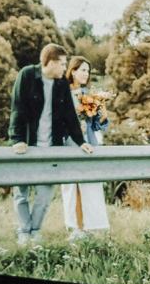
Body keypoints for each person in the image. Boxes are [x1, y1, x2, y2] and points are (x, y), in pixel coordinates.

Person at [8, 43, 91, 246]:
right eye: (62, 64)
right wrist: (17, 139)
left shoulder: (61, 83)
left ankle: (34, 231)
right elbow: (17, 109)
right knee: (21, 192)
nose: (65, 69)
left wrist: (80, 142)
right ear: (51, 63)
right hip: (27, 145)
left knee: (44, 195)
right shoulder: (27, 75)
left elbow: (70, 115)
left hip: (51, 147)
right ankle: (24, 232)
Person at [60, 59, 111, 240]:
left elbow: (98, 125)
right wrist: (71, 129)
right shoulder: (63, 93)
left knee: (90, 185)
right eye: (82, 70)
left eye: (88, 71)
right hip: (70, 144)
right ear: (72, 71)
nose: (86, 74)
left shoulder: (90, 95)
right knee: (71, 186)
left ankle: (92, 227)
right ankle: (76, 226)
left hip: (88, 143)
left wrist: (103, 114)